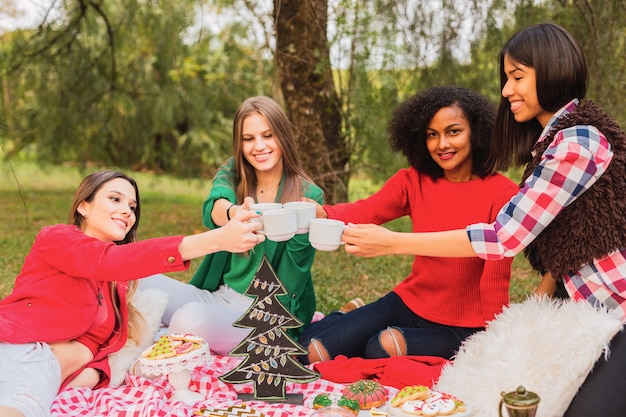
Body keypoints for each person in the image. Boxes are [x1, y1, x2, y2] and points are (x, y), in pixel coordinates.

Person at [338, 23, 626, 417]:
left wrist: (393, 242)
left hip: (615, 312)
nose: (506, 91)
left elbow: (502, 237)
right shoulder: (557, 143)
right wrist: (526, 317)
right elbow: (573, 245)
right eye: (506, 79)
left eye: (517, 77)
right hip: (586, 312)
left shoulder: (578, 143)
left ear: (553, 68)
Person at [0, 170, 263, 417]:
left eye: (132, 207)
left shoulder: (117, 286)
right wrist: (218, 239)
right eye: (115, 199)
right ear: (83, 206)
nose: (126, 211)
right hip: (18, 350)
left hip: (47, 378)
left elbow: (106, 353)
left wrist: (88, 374)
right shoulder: (57, 239)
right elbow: (109, 260)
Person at [297, 85, 519, 365]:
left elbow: (495, 280)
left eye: (453, 131)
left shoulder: (503, 194)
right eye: (432, 135)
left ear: (476, 131)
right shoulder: (412, 181)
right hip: (410, 302)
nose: (442, 144)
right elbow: (366, 210)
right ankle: (342, 317)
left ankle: (348, 318)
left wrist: (494, 335)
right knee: (308, 351)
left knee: (380, 348)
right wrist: (324, 212)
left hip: (463, 323)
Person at [140, 96, 324, 354]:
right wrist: (235, 213)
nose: (259, 146)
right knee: (137, 281)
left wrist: (301, 219)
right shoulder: (234, 173)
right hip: (218, 296)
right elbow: (214, 206)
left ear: (283, 136)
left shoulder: (307, 196)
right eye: (248, 139)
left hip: (263, 315)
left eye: (268, 135)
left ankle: (163, 337)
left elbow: (294, 273)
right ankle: (162, 334)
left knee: (188, 319)